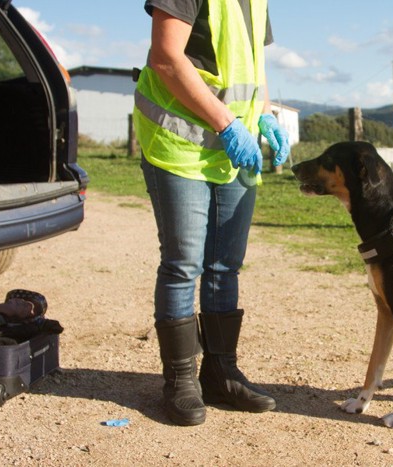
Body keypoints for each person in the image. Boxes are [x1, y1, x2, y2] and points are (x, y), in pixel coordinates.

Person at [133, 0, 289, 426]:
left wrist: (266, 116)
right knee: (183, 264)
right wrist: (227, 124)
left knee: (225, 266)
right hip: (179, 144)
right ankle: (180, 382)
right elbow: (165, 57)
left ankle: (221, 372)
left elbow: (255, 67)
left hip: (233, 146)